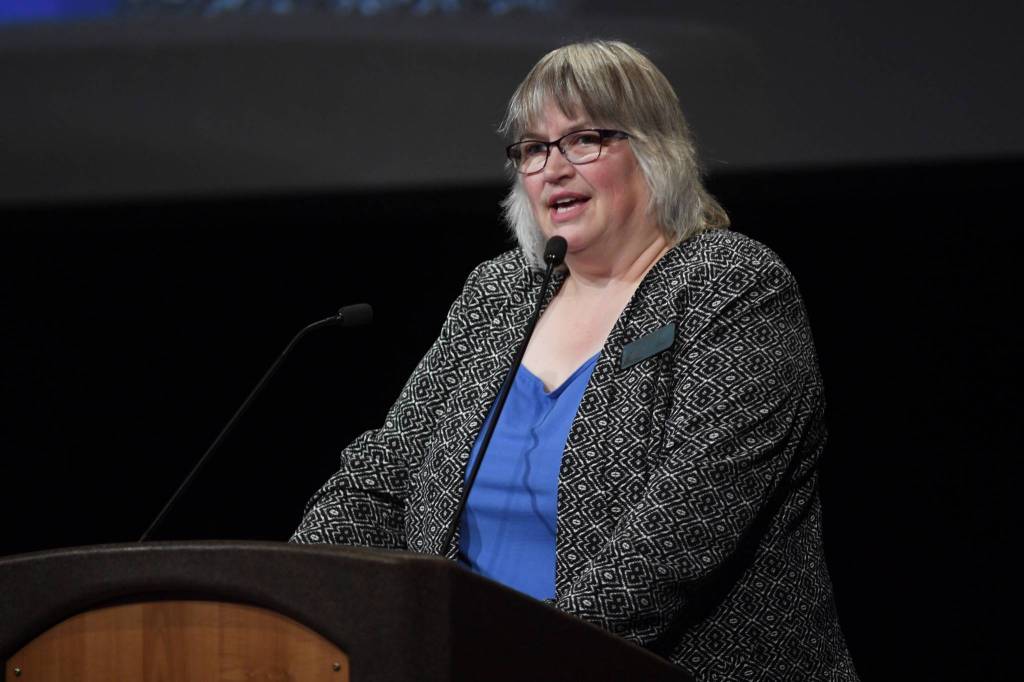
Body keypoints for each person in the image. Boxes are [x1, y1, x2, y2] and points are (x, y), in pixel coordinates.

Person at [292, 40, 858, 680]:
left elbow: (678, 538)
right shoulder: (498, 294)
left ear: (655, 151)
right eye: (533, 148)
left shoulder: (731, 287)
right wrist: (298, 606)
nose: (553, 168)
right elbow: (380, 478)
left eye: (584, 139)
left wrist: (512, 660)